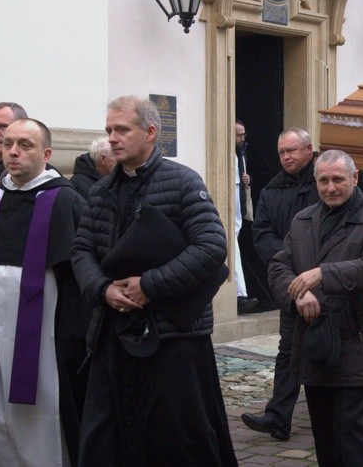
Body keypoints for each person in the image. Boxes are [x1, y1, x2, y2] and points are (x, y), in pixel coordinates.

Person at [70, 96, 237, 466]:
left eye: (122, 129)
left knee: (179, 439)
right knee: (106, 437)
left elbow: (211, 247)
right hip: (112, 332)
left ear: (150, 132)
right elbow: (81, 251)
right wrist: (103, 289)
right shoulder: (100, 191)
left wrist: (150, 285)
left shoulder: (182, 181)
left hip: (173, 338)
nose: (113, 138)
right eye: (109, 130)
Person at [0, 118, 89, 466]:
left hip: (45, 334)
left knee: (41, 402)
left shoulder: (66, 202)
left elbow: (78, 275)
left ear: (47, 153)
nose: (13, 152)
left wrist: (72, 336)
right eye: (8, 144)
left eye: (25, 145)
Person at [268, 149, 363, 466]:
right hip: (314, 340)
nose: (331, 187)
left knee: (350, 432)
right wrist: (297, 294)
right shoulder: (303, 220)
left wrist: (323, 274)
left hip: (355, 339)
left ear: (354, 178)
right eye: (323, 180)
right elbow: (278, 268)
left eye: (338, 179)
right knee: (323, 432)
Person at [241, 128, 320, 441]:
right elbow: (262, 234)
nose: (287, 157)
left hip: (326, 279)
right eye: (282, 152)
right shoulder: (272, 191)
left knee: (330, 350)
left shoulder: (325, 182)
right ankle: (278, 418)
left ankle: (338, 416)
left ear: (309, 149)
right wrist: (291, 262)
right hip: (291, 282)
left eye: (293, 151)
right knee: (289, 349)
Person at [234, 120, 258, 314]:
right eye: (239, 135)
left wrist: (247, 180)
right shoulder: (233, 152)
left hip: (238, 200)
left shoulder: (241, 153)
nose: (242, 138)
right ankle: (240, 294)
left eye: (243, 135)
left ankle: (241, 293)